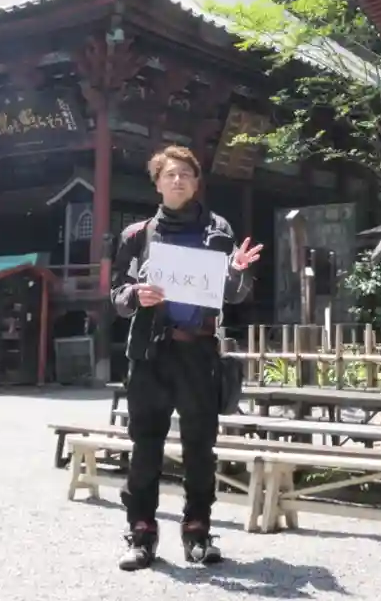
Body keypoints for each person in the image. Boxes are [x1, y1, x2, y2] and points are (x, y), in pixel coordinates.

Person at [109, 144, 263, 571]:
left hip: (199, 352)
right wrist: (134, 295)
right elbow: (116, 294)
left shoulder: (218, 230)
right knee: (145, 445)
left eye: (186, 174)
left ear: (196, 183)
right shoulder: (137, 235)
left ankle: (197, 530)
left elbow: (233, 294)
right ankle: (141, 532)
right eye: (170, 174)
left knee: (200, 447)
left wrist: (239, 271)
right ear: (157, 184)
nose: (178, 180)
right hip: (150, 352)